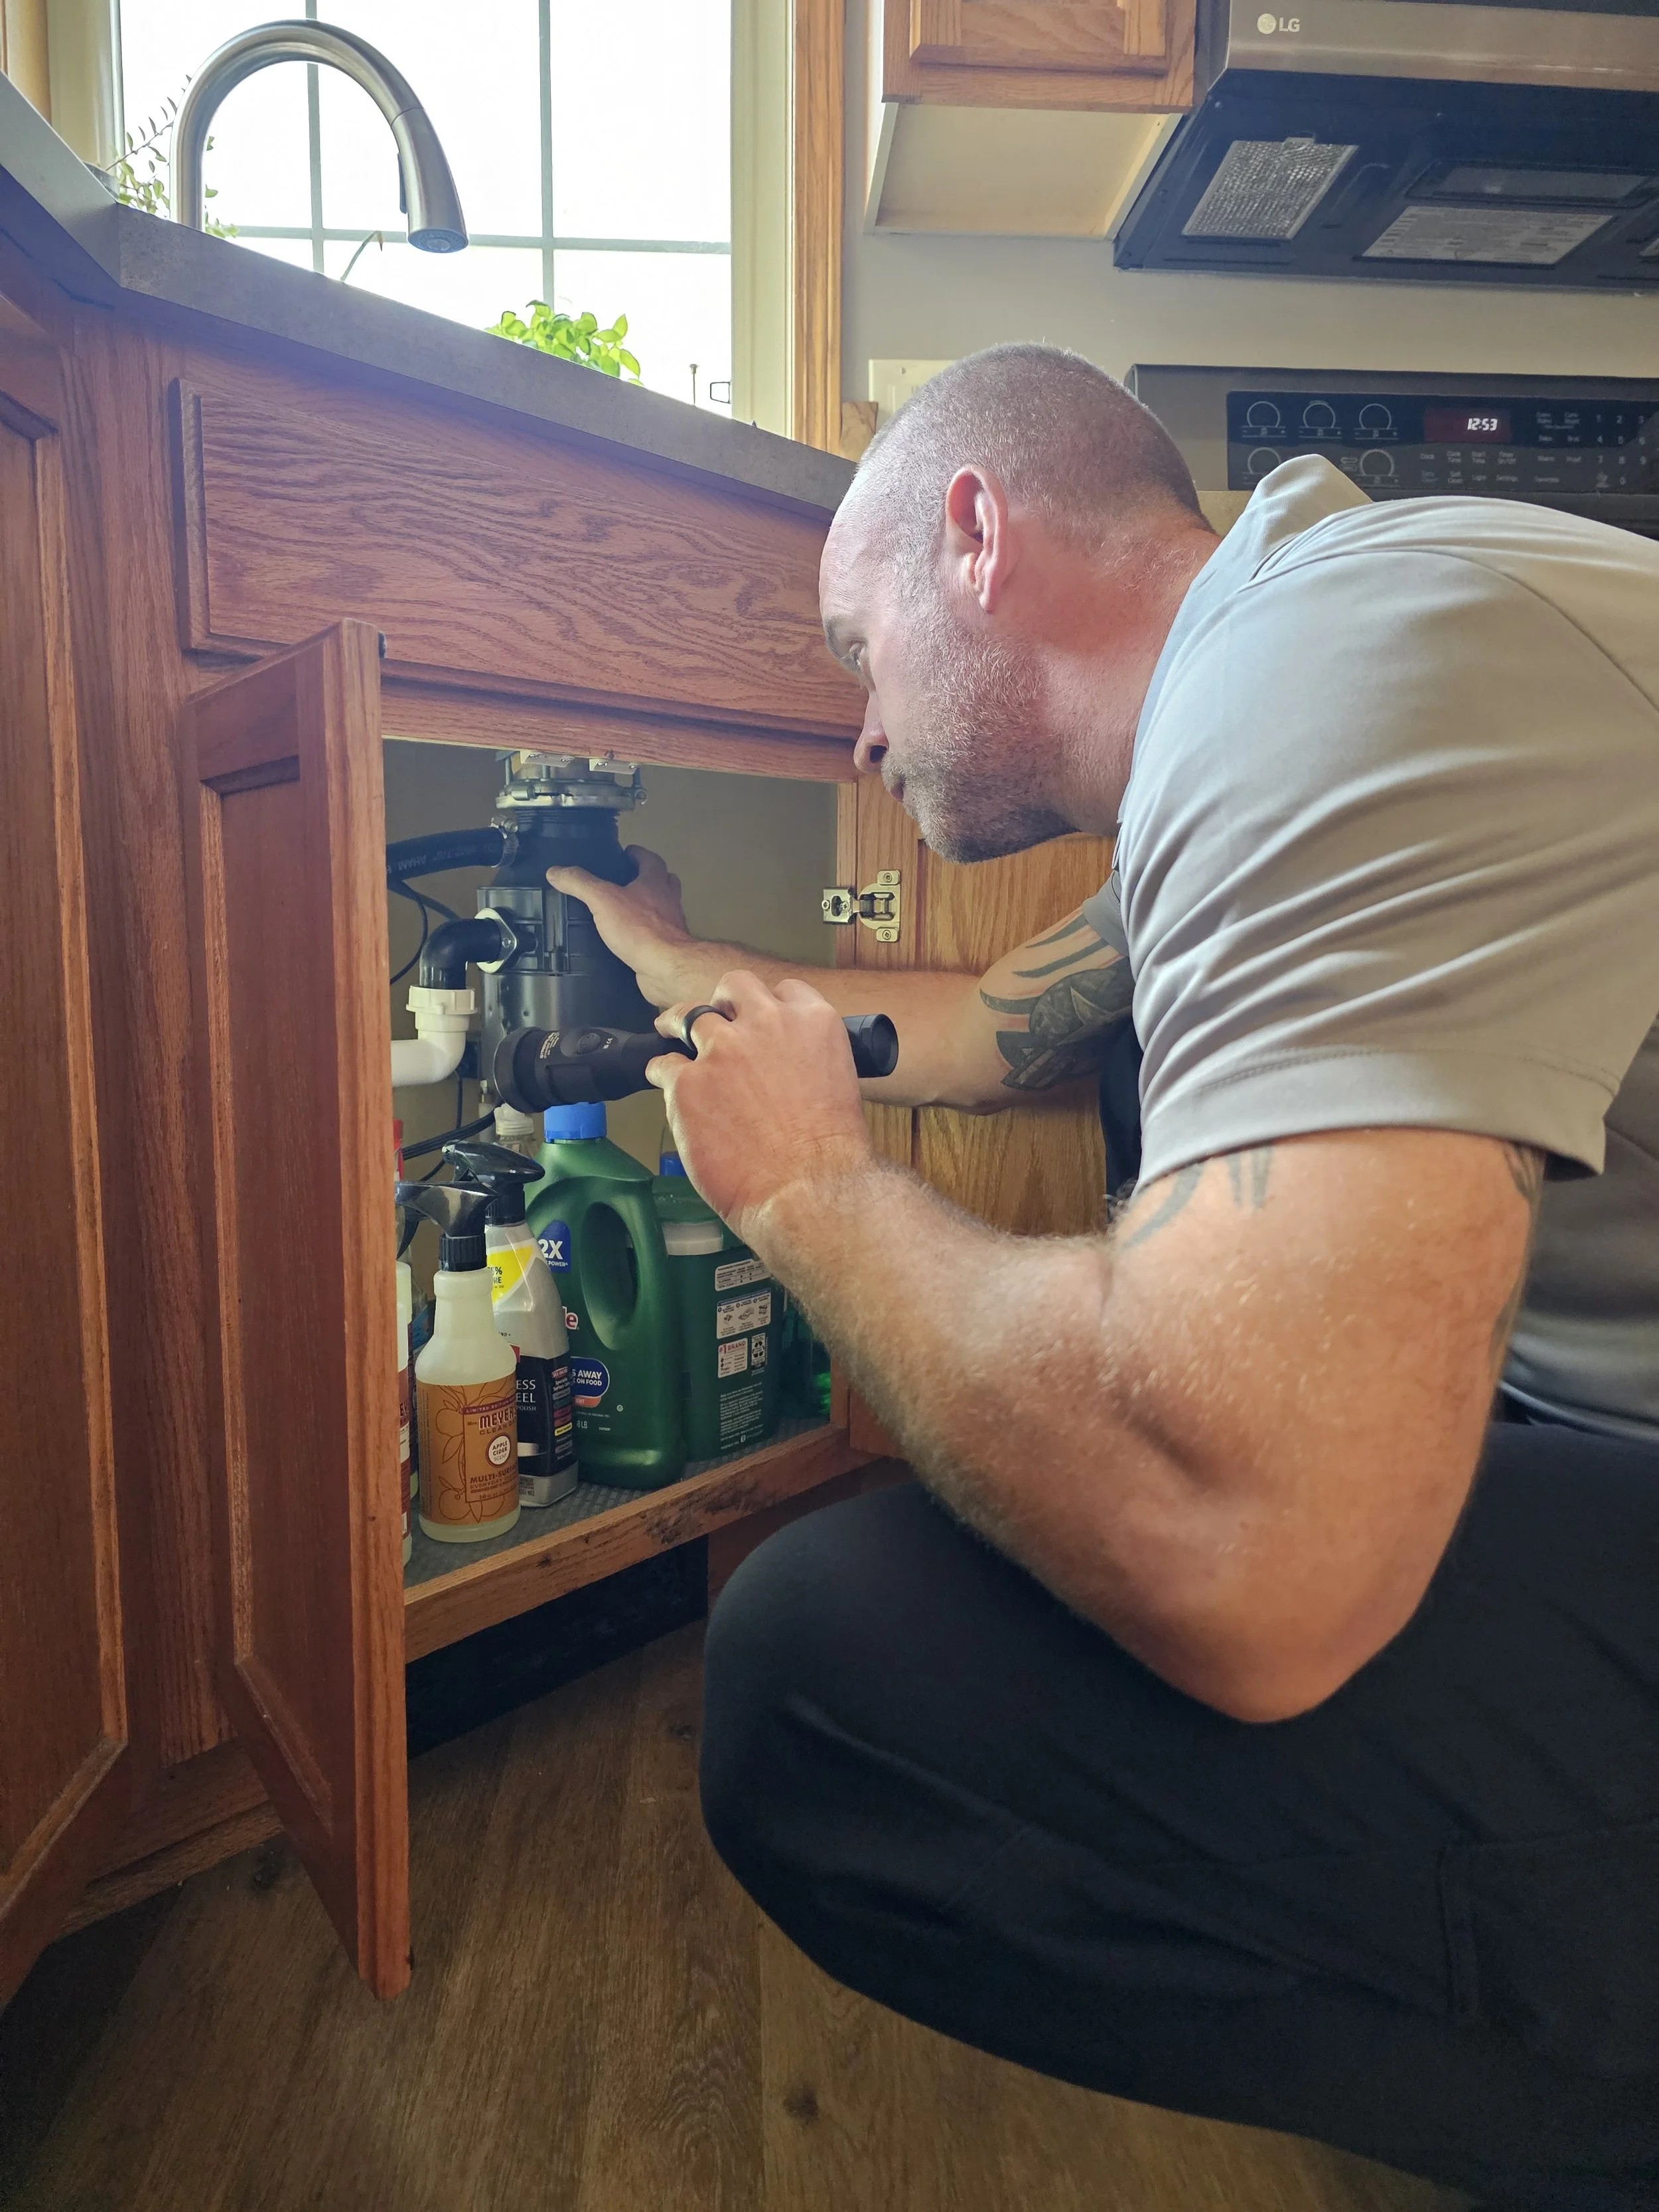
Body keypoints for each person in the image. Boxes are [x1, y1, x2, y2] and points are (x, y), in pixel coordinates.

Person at [547, 344, 1659, 2211]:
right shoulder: (1286, 669)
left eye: (853, 650)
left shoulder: (1343, 674)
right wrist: (676, 967)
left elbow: (1246, 1557)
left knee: (824, 1676)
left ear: (972, 536)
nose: (860, 733)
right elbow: (986, 1024)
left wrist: (810, 1194)